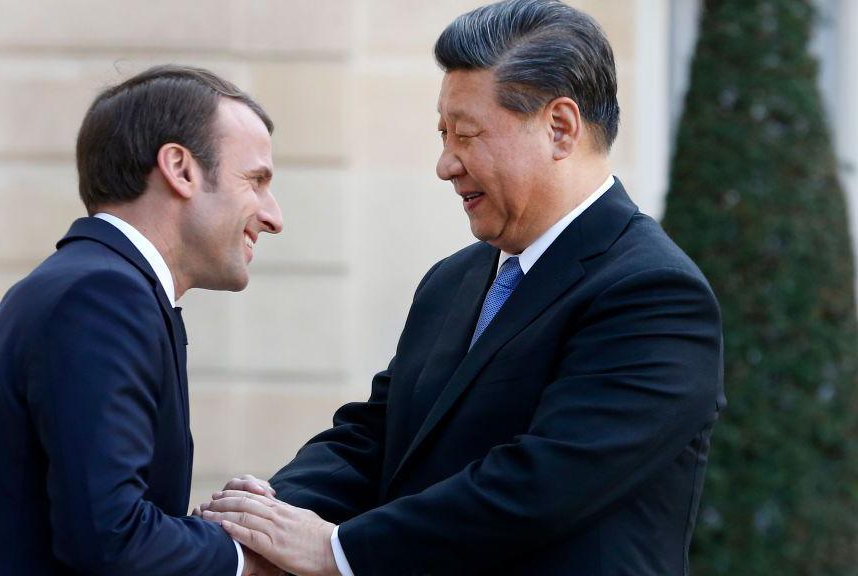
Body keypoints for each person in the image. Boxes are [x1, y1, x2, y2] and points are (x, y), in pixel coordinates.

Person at [200, 1, 725, 574]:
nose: (445, 163)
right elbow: (373, 436)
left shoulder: (654, 294)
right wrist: (260, 523)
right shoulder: (455, 279)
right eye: (443, 134)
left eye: (467, 135)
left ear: (560, 128)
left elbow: (540, 487)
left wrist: (337, 551)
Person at [0, 65, 283, 576]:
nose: (273, 216)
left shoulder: (91, 284)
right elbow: (108, 540)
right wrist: (242, 556)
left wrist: (216, 527)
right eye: (256, 180)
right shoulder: (103, 296)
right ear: (180, 168)